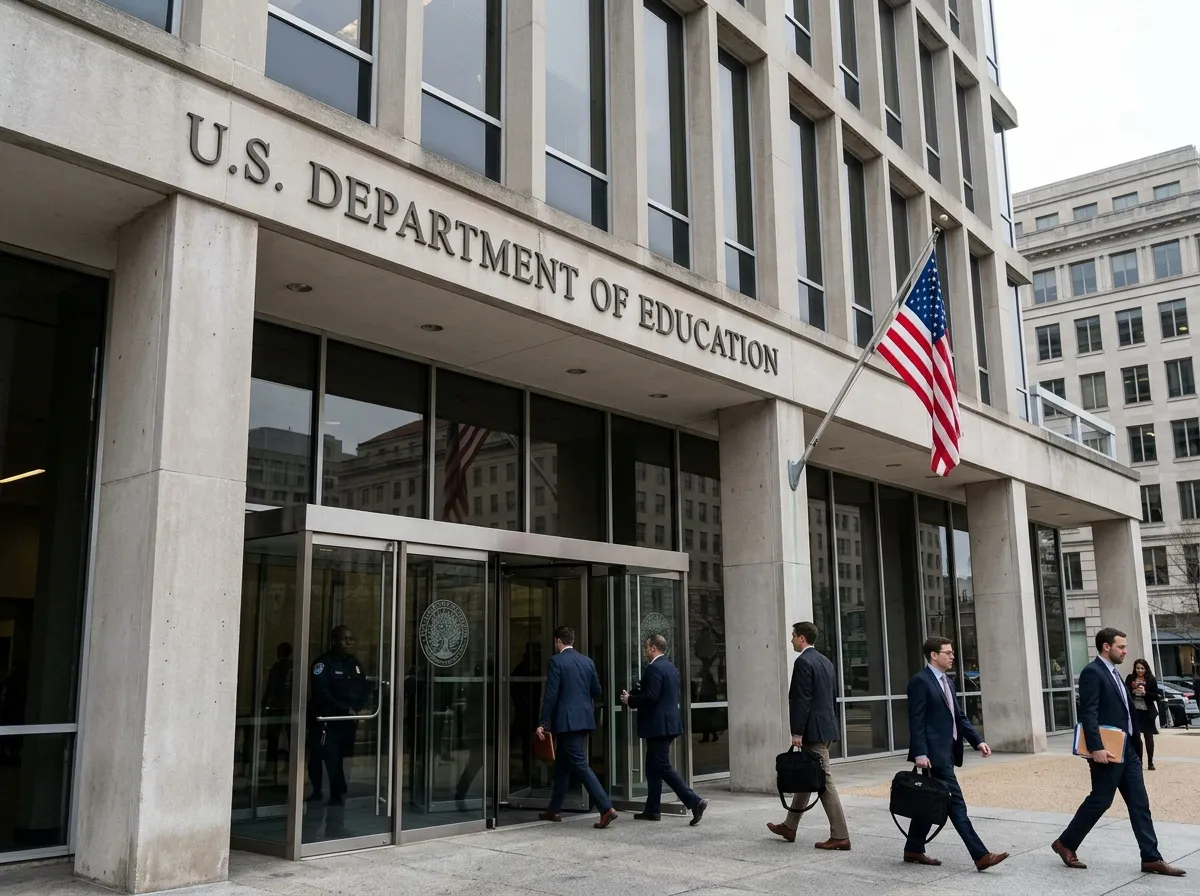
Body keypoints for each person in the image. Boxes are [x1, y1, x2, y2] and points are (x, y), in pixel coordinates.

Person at [1053, 628, 1185, 876]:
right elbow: (1088, 713)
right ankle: (1066, 843)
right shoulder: (1093, 673)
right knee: (1101, 800)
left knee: (1139, 802)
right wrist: (1096, 748)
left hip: (1128, 750)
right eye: (1121, 647)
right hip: (1107, 751)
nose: (1125, 651)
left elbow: (1125, 712)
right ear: (1106, 647)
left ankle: (1151, 857)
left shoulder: (1117, 674)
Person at [903, 637, 1008, 872]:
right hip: (933, 756)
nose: (952, 656)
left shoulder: (947, 682)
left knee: (931, 800)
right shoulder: (920, 681)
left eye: (952, 652)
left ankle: (913, 848)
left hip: (948, 752)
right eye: (947, 652)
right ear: (933, 655)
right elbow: (916, 720)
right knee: (956, 804)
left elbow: (958, 716)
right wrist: (920, 752)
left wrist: (977, 741)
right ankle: (980, 855)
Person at [766, 621, 850, 850]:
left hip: (812, 731)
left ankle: (840, 835)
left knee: (824, 781)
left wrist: (797, 733)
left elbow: (801, 699)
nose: (791, 640)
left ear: (802, 638)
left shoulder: (803, 661)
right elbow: (829, 698)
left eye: (793, 636)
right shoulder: (825, 661)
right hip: (826, 728)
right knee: (808, 775)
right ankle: (790, 826)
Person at [621, 634, 707, 825]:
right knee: (652, 768)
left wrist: (631, 700)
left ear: (653, 648)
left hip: (658, 726)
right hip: (667, 724)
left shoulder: (654, 668)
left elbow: (651, 696)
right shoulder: (670, 667)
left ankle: (695, 801)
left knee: (662, 767)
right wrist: (636, 694)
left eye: (646, 648)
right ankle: (652, 810)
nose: (644, 652)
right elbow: (658, 694)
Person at [536, 626, 617, 828]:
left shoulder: (556, 661)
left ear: (558, 641)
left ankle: (606, 808)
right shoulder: (587, 661)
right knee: (563, 767)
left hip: (567, 721)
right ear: (573, 640)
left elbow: (551, 695)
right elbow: (596, 689)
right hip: (584, 719)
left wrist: (543, 722)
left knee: (580, 764)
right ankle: (554, 809)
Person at [307, 625, 371, 838]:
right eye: (345, 639)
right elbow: (321, 694)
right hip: (327, 728)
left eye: (351, 638)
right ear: (334, 640)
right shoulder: (323, 664)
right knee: (322, 783)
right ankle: (309, 831)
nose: (349, 642)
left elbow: (364, 689)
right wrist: (345, 709)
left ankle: (335, 826)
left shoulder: (355, 665)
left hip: (347, 729)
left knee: (341, 780)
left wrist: (359, 707)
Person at [1126, 658, 1162, 770]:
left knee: (1148, 736)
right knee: (1136, 737)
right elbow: (1125, 693)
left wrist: (1145, 693)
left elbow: (1156, 696)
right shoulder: (1130, 678)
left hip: (1147, 711)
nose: (1140, 670)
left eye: (1142, 668)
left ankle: (1150, 762)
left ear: (1146, 669)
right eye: (1138, 668)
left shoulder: (1151, 679)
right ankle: (1139, 761)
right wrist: (1133, 692)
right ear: (1134, 668)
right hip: (1135, 711)